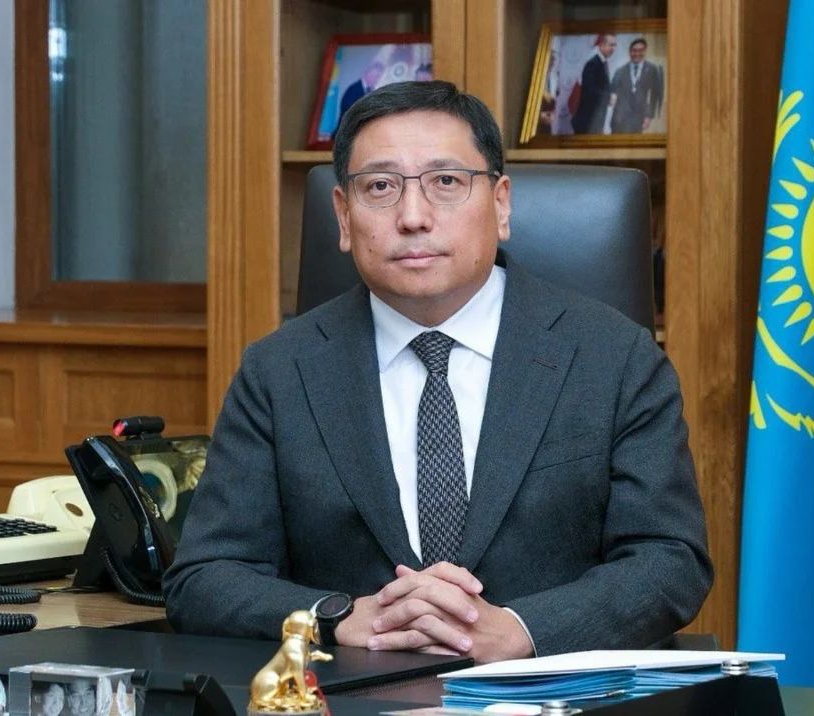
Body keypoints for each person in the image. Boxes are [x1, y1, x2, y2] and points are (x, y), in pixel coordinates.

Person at [163, 80, 712, 663]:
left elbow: (670, 559)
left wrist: (523, 630)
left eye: (446, 182)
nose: (413, 216)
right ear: (344, 217)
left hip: (547, 692)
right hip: (351, 696)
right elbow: (204, 577)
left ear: (501, 204)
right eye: (380, 187)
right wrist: (335, 616)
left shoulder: (615, 358)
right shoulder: (279, 371)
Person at [609, 37, 664, 134]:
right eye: (634, 50)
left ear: (645, 51)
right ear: (630, 52)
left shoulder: (652, 69)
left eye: (641, 50)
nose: (637, 53)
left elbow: (654, 96)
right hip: (619, 121)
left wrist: (648, 116)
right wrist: (612, 95)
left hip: (638, 120)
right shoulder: (620, 71)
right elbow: (612, 90)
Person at [570, 34, 615, 134]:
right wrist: (608, 97)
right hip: (586, 123)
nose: (613, 49)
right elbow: (589, 90)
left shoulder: (603, 63)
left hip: (594, 122)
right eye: (611, 45)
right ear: (601, 45)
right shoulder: (593, 63)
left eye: (614, 45)